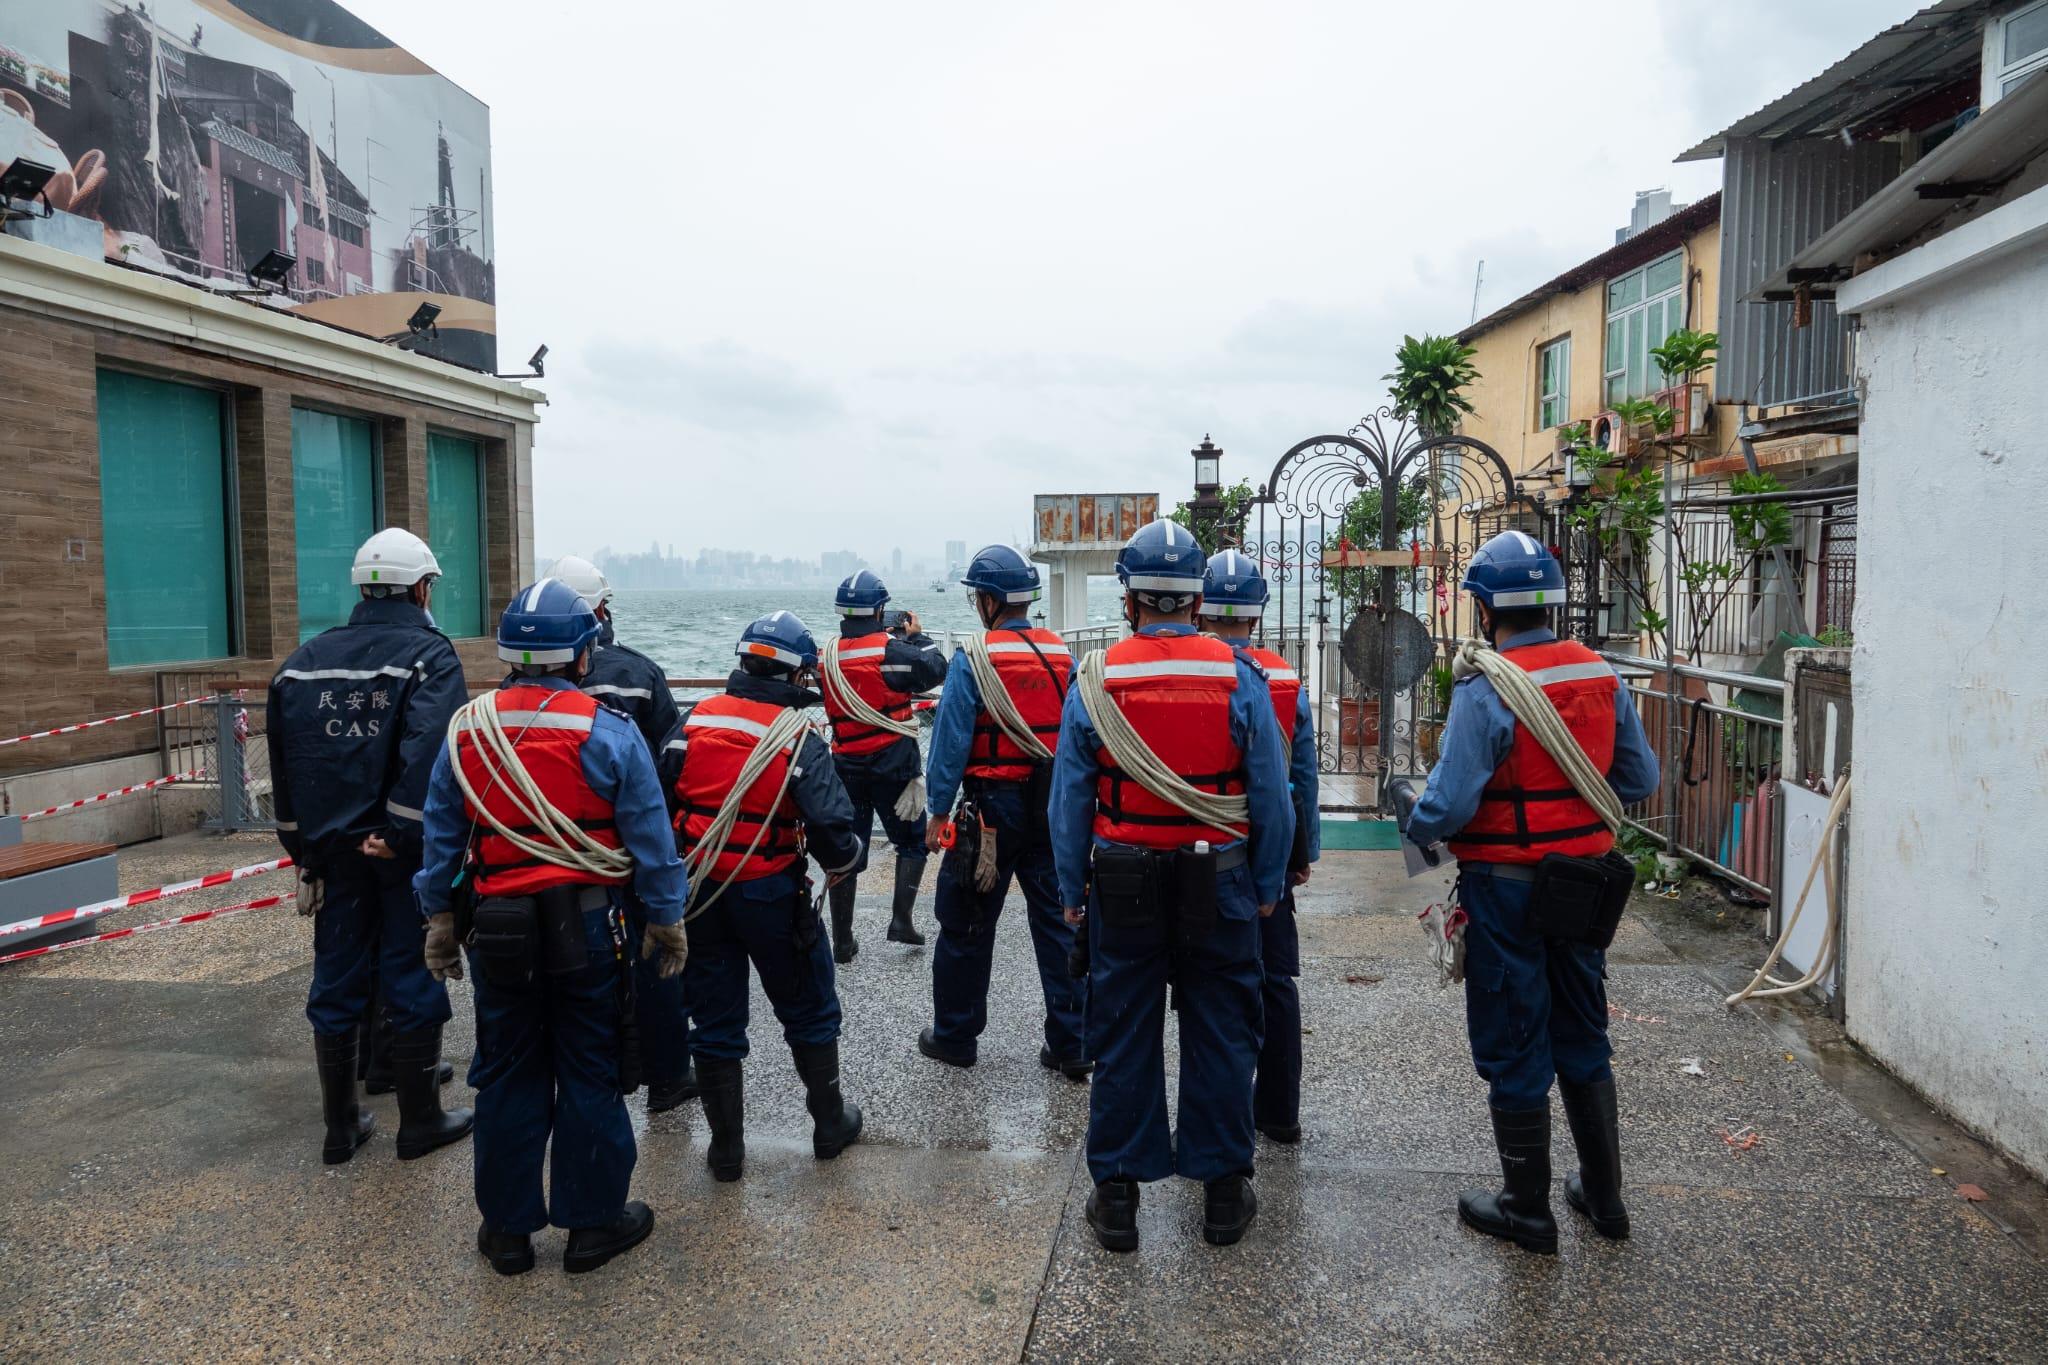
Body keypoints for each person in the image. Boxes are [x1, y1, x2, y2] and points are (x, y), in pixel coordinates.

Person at [414, 579, 690, 1276]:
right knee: (589, 1068)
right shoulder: (609, 732)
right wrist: (666, 918)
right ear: (582, 653)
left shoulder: (467, 731)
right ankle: (592, 1225)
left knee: (506, 1073)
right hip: (592, 931)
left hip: (498, 936)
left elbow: (442, 835)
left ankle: (506, 1232)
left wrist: (439, 917)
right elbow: (652, 842)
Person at [1402, 530, 1660, 1256]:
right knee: (1583, 1030)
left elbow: (1448, 806)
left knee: (1517, 1036)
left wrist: (1415, 821)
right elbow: (1639, 781)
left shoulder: (1485, 687)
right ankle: (1605, 1200)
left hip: (1508, 888)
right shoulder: (1600, 673)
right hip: (1583, 886)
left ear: (1486, 610)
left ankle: (1526, 1208)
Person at [1049, 519, 1293, 1253]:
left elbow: (1070, 801)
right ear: (1195, 603)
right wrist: (1269, 883)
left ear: (1130, 600)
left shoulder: (1096, 680)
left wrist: (1071, 888)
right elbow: (1272, 798)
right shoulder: (1239, 678)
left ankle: (1117, 1199)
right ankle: (1223, 1197)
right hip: (1219, 882)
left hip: (1122, 886)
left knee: (1122, 1031)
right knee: (1222, 1029)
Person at [267, 528, 472, 1166]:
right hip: (398, 856)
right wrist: (403, 834)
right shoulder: (430, 658)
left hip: (329, 854)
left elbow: (283, 766)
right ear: (420, 588)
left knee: (336, 975)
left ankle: (342, 1124)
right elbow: (431, 760)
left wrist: (303, 850)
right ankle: (419, 1121)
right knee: (413, 973)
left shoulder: (303, 661)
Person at [659, 611, 867, 1181]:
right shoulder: (798, 737)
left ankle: (726, 1149)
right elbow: (832, 826)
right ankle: (829, 1123)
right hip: (771, 894)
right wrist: (847, 862)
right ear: (798, 678)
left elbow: (656, 804)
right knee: (808, 1005)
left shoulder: (690, 722)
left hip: (699, 896)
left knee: (715, 1015)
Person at [915, 545, 1088, 1078]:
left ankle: (955, 1037)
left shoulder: (976, 657)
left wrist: (937, 812)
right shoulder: (1063, 656)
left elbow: (950, 741)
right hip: (1052, 809)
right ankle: (1072, 1044)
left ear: (989, 601)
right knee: (1062, 923)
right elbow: (1082, 735)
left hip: (990, 812)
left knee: (965, 922)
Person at [546, 555, 696, 1115]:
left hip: (547, 856)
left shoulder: (512, 696)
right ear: (602, 610)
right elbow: (669, 763)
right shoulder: (640, 672)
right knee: (655, 955)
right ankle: (665, 1077)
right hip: (627, 852)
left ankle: (593, 1069)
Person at [1198, 548, 1319, 1144]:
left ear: (1201, 608)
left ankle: (1214, 1119)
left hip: (1211, 850)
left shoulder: (1193, 673)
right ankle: (1279, 1112)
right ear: (1257, 612)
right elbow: (1303, 777)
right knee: (1276, 979)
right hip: (1271, 849)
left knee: (1213, 987)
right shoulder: (1286, 680)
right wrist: (1302, 857)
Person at [818, 569, 948, 961]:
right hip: (894, 764)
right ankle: (901, 921)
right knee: (910, 842)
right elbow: (935, 667)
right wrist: (916, 635)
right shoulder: (891, 651)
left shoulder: (826, 655)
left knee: (847, 846)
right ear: (879, 610)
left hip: (845, 765)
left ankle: (842, 939)